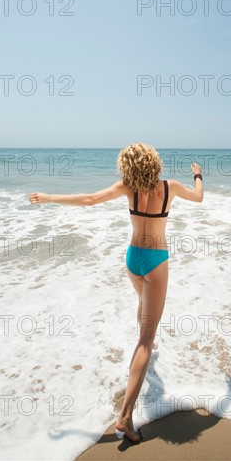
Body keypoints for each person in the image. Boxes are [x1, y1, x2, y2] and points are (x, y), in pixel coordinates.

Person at [28, 142, 203, 443]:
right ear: (153, 162)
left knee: (143, 306)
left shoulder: (127, 187)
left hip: (133, 259)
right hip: (156, 261)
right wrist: (198, 175)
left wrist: (49, 197)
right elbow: (198, 198)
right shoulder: (170, 186)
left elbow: (90, 199)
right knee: (147, 339)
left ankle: (144, 343)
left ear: (127, 166)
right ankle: (125, 418)